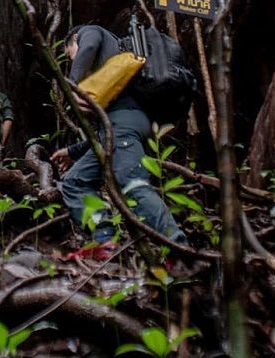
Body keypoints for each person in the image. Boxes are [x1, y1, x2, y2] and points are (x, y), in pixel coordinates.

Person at [50, 24, 187, 254]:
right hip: (121, 125)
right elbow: (106, 135)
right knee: (76, 182)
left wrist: (71, 86)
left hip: (124, 123)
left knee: (133, 184)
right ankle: (105, 242)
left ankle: (178, 246)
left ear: (74, 39)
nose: (71, 57)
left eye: (69, 52)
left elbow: (90, 44)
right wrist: (72, 153)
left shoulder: (91, 31)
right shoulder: (113, 66)